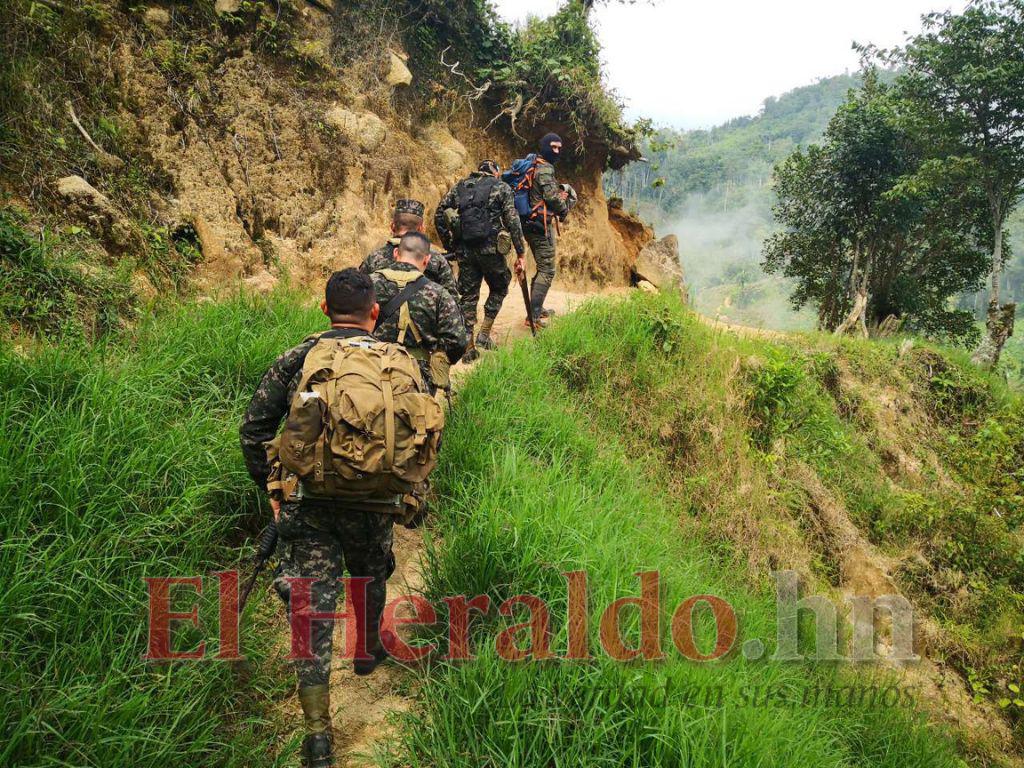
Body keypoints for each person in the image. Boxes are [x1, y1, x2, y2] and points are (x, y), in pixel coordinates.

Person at [239, 269, 403, 768]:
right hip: (372, 504)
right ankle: (369, 649)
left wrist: (271, 489)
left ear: (323, 310)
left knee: (310, 606)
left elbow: (254, 429)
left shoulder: (298, 357)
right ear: (375, 313)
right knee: (373, 572)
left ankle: (317, 737)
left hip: (307, 504)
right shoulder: (397, 361)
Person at [435, 160, 526, 360]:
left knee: (468, 296)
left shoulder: (460, 187)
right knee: (500, 287)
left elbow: (440, 213)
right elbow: (513, 220)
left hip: (465, 250)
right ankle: (484, 333)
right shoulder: (501, 187)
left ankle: (468, 347)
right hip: (491, 251)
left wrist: (449, 244)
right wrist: (521, 253)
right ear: (495, 172)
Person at [370, 231, 467, 393]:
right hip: (417, 377)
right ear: (427, 260)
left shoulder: (368, 284)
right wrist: (440, 358)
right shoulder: (438, 293)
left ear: (395, 253)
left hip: (371, 369)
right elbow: (457, 340)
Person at [359, 198, 459, 300]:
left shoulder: (373, 258)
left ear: (392, 226)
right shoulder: (436, 259)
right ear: (421, 229)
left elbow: (358, 296)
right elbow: (452, 300)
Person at [523, 133, 570, 326]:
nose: (556, 151)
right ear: (544, 146)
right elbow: (551, 197)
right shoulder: (545, 168)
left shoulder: (535, 164)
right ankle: (532, 318)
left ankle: (536, 308)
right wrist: (564, 208)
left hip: (531, 223)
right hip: (540, 225)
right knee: (548, 270)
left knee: (543, 268)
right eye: (553, 147)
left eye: (559, 147)